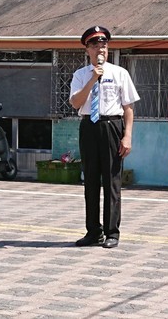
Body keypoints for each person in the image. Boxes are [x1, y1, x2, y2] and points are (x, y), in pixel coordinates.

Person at [69, 26, 140, 249]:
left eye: (104, 45)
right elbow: (75, 103)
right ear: (88, 49)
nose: (101, 49)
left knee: (112, 181)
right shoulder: (80, 75)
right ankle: (93, 231)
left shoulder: (120, 73)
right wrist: (92, 80)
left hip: (111, 126)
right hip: (89, 126)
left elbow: (128, 108)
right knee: (90, 181)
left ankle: (112, 232)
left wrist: (127, 136)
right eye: (97, 45)